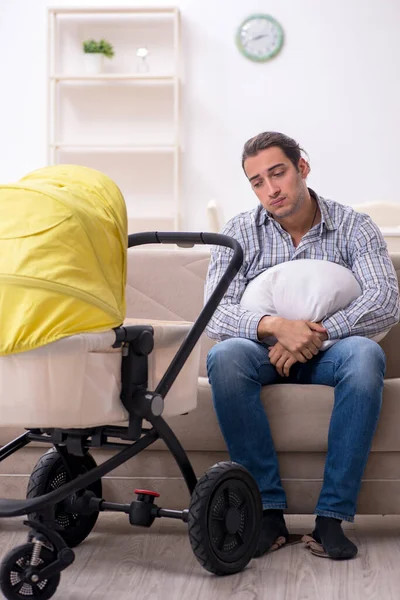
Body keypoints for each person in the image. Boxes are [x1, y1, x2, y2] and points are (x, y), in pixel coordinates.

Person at [205, 131, 400, 560]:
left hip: (333, 351)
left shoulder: (354, 225)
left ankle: (330, 519)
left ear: (302, 168)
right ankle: (268, 515)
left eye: (278, 173)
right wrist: (276, 327)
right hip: (262, 351)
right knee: (224, 357)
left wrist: (316, 333)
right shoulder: (238, 232)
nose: (270, 189)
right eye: (257, 181)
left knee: (367, 356)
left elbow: (385, 299)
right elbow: (216, 314)